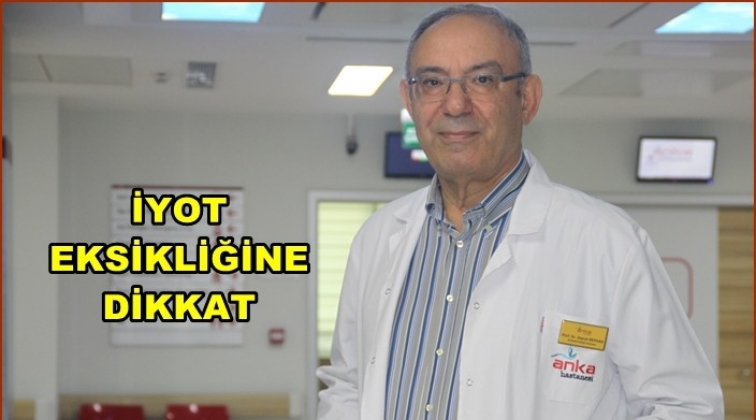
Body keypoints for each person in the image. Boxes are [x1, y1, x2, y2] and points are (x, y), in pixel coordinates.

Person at [317, 4, 724, 419]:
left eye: (482, 79)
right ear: (409, 98)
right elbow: (349, 386)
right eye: (433, 82)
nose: (455, 104)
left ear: (527, 98)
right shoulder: (376, 238)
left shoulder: (609, 244)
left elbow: (686, 407)